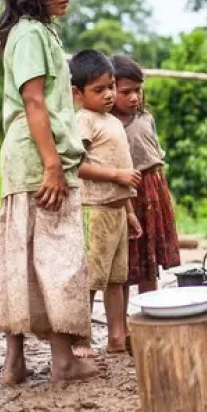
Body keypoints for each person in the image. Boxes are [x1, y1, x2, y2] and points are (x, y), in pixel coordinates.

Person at [0, 0, 98, 384]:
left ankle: (15, 363)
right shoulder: (31, 33)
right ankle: (64, 361)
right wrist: (53, 165)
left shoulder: (37, 32)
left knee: (22, 258)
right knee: (58, 258)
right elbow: (34, 101)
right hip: (39, 160)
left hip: (26, 160)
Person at [70, 49, 142, 356]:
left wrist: (129, 212)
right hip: (94, 211)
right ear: (77, 93)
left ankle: (116, 337)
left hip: (116, 211)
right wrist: (116, 175)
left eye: (111, 86)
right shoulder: (84, 120)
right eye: (99, 90)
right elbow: (76, 165)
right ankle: (81, 340)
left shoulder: (111, 121)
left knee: (116, 280)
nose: (109, 94)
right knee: (91, 280)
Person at [109, 54, 181, 299]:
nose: (134, 97)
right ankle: (124, 325)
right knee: (127, 262)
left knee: (150, 261)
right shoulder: (109, 125)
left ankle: (150, 313)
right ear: (110, 90)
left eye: (137, 90)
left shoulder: (145, 118)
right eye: (126, 91)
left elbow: (154, 156)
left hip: (153, 189)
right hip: (128, 192)